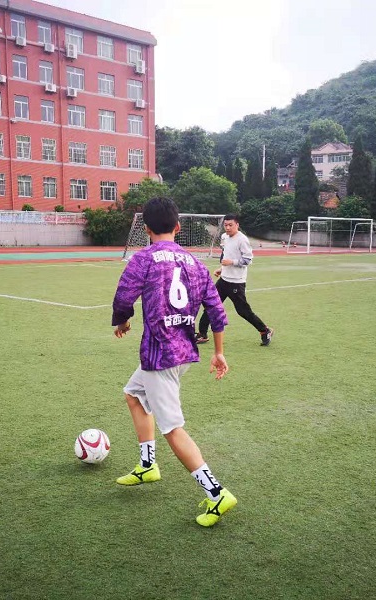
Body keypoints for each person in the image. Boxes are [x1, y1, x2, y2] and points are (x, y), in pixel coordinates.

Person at [111, 197, 238, 527]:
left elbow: (123, 296)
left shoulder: (144, 258)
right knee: (133, 394)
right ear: (178, 227)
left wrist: (123, 320)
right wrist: (219, 352)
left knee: (172, 428)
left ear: (146, 229)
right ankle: (147, 465)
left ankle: (216, 494)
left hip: (160, 356)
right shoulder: (195, 262)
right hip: (183, 351)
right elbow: (216, 309)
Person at [196, 214, 274, 346]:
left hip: (236, 282)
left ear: (237, 225)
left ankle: (265, 331)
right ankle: (202, 334)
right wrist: (222, 268)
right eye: (225, 225)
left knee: (243, 311)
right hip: (223, 280)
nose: (227, 228)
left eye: (230, 225)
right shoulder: (224, 237)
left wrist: (232, 262)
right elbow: (227, 254)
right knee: (211, 305)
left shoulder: (242, 240)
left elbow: (248, 260)